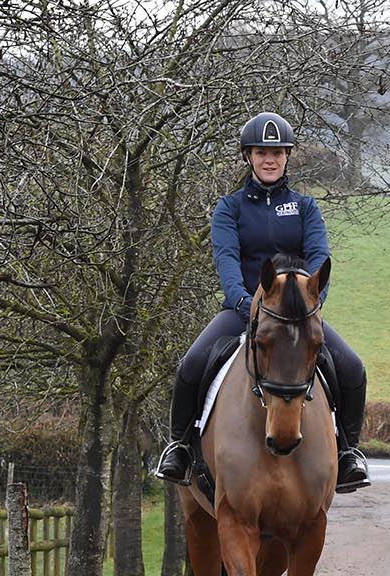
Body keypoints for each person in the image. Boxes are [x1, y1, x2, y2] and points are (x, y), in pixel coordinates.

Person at [155, 111, 370, 493]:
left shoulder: (305, 208)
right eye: (260, 152)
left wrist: (311, 301)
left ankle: (348, 452)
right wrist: (243, 303)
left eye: (277, 152)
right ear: (248, 156)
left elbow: (319, 258)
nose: (269, 159)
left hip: (298, 315)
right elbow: (226, 259)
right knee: (191, 365)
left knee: (352, 368)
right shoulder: (230, 207)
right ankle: (180, 448)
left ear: (287, 157)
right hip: (243, 312)